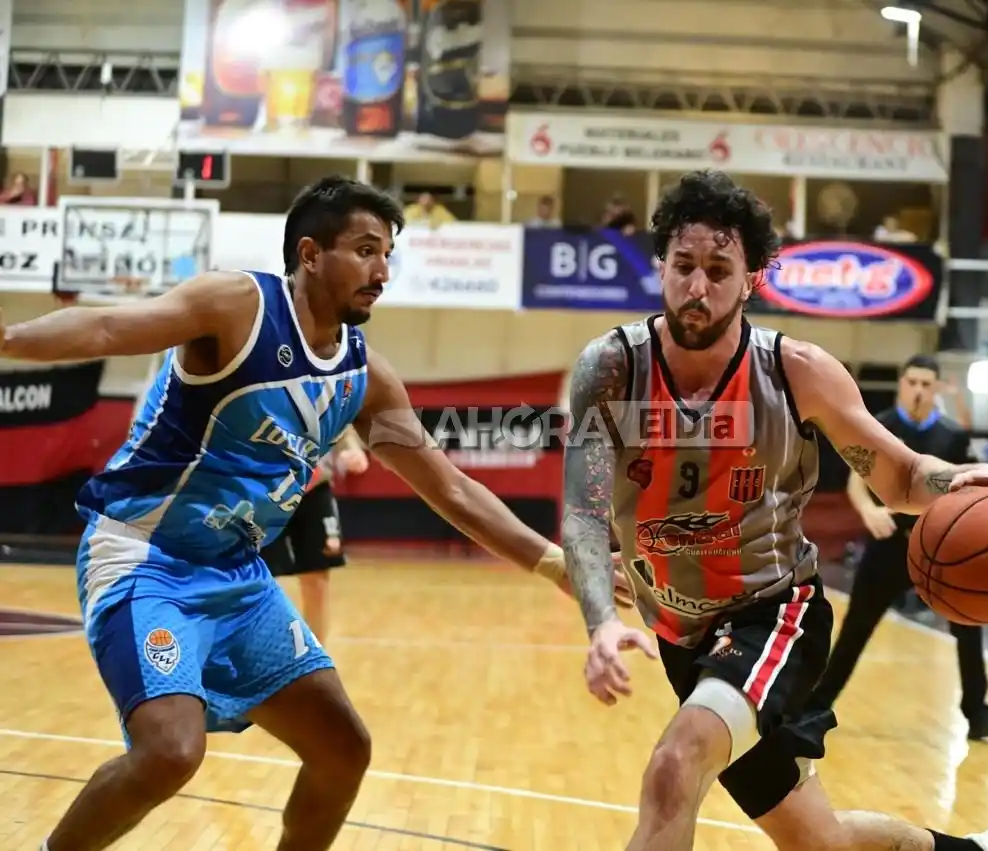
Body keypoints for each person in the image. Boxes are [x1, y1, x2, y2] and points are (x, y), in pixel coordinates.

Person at [0, 175, 589, 851]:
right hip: (146, 554)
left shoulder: (365, 377)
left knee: (343, 746)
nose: (381, 270)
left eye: (388, 254)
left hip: (237, 576)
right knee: (169, 750)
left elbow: (450, 489)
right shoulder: (237, 305)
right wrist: (11, 338)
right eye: (365, 250)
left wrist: (550, 562)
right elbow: (109, 325)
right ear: (310, 253)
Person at [560, 170, 988, 851]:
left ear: (753, 277)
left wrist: (963, 478)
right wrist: (600, 621)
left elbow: (900, 475)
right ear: (661, 265)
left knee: (673, 767)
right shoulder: (609, 369)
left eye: (718, 269)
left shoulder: (797, 372)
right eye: (683, 266)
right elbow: (582, 512)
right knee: (819, 843)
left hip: (771, 613)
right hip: (679, 632)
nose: (697, 287)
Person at [807, 354, 988, 741]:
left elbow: (966, 489)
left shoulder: (952, 436)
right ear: (903, 383)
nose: (918, 390)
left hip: (938, 548)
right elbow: (856, 479)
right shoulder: (880, 426)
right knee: (855, 631)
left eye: (926, 384)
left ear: (936, 389)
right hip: (888, 546)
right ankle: (814, 711)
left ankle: (977, 712)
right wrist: (868, 510)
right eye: (912, 382)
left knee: (969, 626)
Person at [261, 424, 368, 644]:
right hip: (266, 489)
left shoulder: (320, 390)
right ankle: (263, 655)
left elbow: (342, 422)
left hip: (314, 487)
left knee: (317, 578)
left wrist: (352, 448)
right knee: (262, 579)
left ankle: (315, 658)